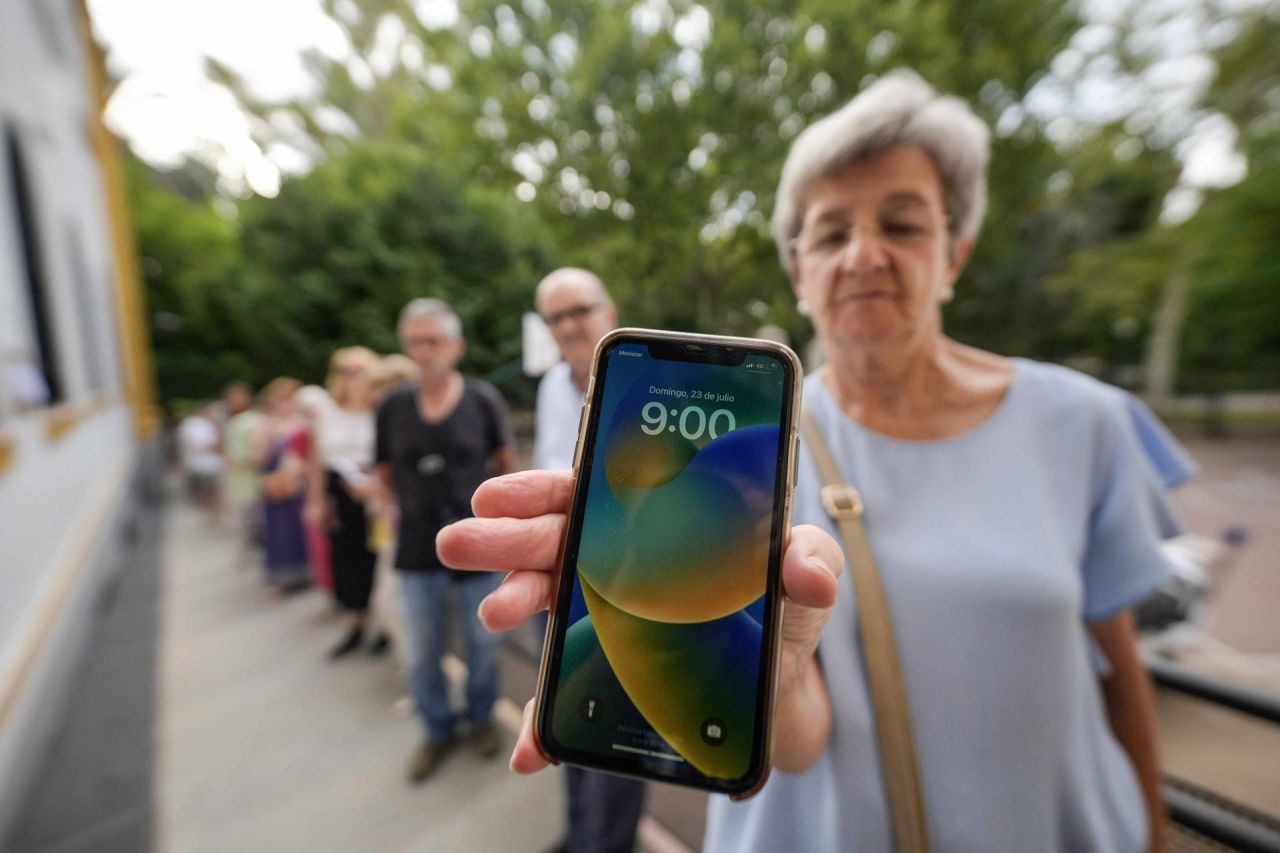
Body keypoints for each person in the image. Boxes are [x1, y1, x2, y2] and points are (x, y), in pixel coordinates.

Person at [436, 70, 1181, 853]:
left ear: (954, 253)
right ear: (798, 269)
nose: (863, 254)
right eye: (830, 233)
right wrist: (744, 669)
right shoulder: (744, 444)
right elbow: (800, 736)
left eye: (902, 223)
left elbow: (1120, 670)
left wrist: (1155, 836)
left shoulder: (1082, 420)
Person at [375, 298, 517, 783]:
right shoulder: (392, 406)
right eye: (414, 341)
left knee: (483, 643)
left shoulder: (482, 401)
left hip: (477, 546)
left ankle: (481, 720)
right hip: (416, 548)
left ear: (456, 347)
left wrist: (500, 523)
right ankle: (436, 730)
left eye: (433, 340)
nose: (423, 351)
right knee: (422, 650)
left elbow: (505, 464)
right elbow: (384, 470)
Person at [532, 269, 646, 853]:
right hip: (561, 580)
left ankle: (610, 843)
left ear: (610, 309)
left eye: (579, 310)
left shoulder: (652, 381)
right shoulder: (553, 385)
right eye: (556, 317)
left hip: (621, 587)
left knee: (617, 736)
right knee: (563, 716)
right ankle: (580, 833)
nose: (570, 325)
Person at [306, 346, 387, 659]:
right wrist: (315, 500)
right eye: (345, 371)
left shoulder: (379, 408)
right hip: (339, 489)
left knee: (376, 557)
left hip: (372, 490)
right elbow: (316, 460)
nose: (351, 378)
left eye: (358, 371)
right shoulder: (326, 411)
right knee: (345, 557)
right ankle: (356, 622)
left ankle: (382, 625)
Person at [254, 377, 312, 592]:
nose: (284, 404)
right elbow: (259, 458)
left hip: (299, 481)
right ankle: (283, 576)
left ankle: (306, 571)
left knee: (301, 528)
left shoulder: (301, 421)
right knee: (279, 532)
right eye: (280, 399)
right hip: (277, 482)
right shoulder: (265, 425)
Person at [223, 381, 264, 563]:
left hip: (255, 481)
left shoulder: (255, 421)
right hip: (243, 483)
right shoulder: (234, 423)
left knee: (257, 525)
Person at [177, 403, 225, 523]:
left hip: (201, 465)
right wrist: (223, 448)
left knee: (209, 492)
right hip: (205, 466)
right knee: (210, 492)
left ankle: (213, 515)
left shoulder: (190, 424)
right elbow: (204, 445)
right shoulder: (197, 425)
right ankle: (214, 515)